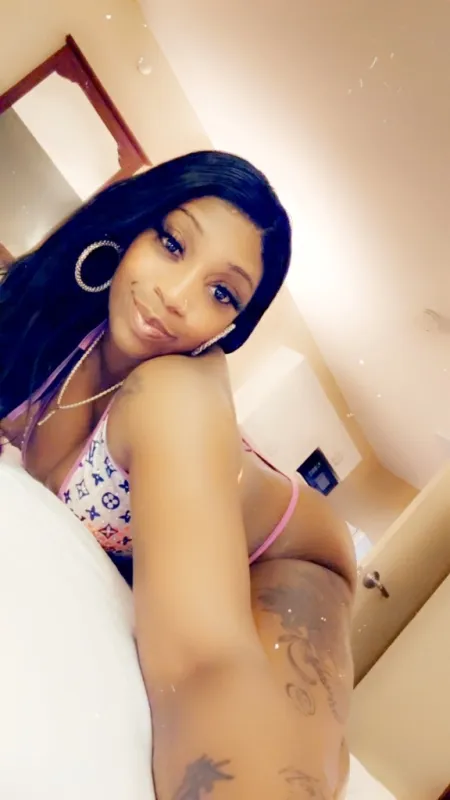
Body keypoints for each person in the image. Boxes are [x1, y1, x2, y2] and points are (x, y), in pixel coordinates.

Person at [0, 150, 356, 798]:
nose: (175, 295)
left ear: (232, 326)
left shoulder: (172, 395)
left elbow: (202, 663)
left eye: (222, 293)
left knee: (287, 761)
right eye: (171, 243)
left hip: (291, 558)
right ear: (133, 227)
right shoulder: (61, 326)